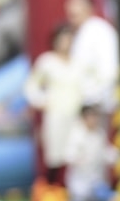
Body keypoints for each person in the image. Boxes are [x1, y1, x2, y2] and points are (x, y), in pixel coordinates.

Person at [23, 23, 83, 186]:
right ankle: (51, 194)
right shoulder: (47, 62)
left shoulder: (78, 62)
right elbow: (31, 86)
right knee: (55, 158)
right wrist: (42, 101)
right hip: (56, 115)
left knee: (76, 156)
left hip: (76, 116)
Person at [64, 0, 120, 112]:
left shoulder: (99, 30)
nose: (72, 15)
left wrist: (95, 101)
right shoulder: (80, 34)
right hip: (82, 104)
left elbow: (108, 70)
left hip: (95, 105)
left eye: (76, 11)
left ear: (88, 9)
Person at [64, 104, 120, 201]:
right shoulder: (76, 134)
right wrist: (80, 159)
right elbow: (68, 155)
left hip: (97, 179)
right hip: (80, 181)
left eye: (95, 117)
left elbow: (106, 152)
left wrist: (118, 156)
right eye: (91, 117)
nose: (94, 120)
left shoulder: (99, 133)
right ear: (84, 118)